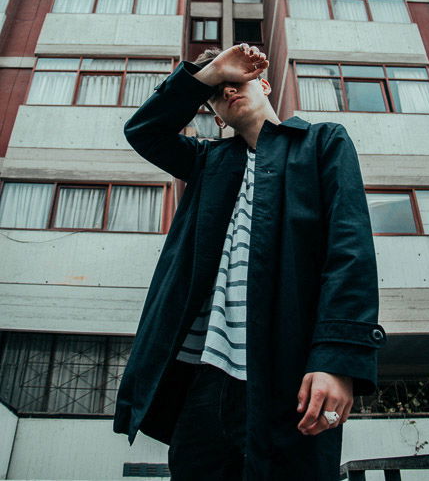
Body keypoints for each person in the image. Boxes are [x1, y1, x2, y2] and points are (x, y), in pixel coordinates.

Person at [113, 43, 387, 481]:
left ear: (264, 83)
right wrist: (208, 73)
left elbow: (349, 252)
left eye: (235, 82)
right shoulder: (206, 161)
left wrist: (338, 361)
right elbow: (144, 130)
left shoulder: (322, 142)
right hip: (202, 381)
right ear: (216, 115)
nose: (227, 93)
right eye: (217, 94)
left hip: (288, 376)